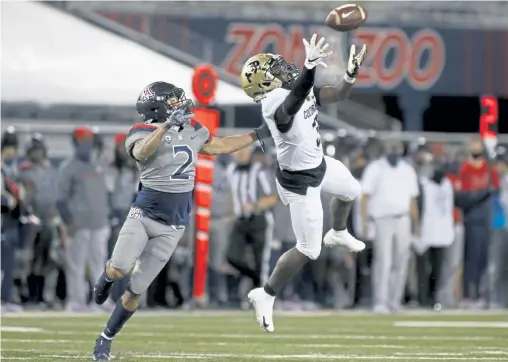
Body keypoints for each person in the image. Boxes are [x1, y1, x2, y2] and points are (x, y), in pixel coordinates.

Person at [91, 81, 271, 360]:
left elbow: (220, 146)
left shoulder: (193, 129)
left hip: (173, 225)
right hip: (144, 215)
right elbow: (141, 153)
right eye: (173, 101)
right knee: (118, 270)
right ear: (158, 107)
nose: (180, 104)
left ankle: (105, 338)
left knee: (136, 290)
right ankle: (105, 278)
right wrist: (165, 127)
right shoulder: (140, 131)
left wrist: (257, 134)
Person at [240, 34, 367, 332]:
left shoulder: (292, 87)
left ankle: (338, 232)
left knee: (351, 190)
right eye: (274, 70)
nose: (283, 69)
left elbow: (337, 95)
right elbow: (291, 107)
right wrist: (309, 70)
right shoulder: (273, 102)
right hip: (299, 182)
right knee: (309, 250)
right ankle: (266, 293)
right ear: (262, 84)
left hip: (319, 165)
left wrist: (350, 75)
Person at [361, 141, 420, 313]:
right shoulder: (375, 168)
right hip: (382, 220)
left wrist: (416, 222)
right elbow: (365, 196)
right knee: (383, 261)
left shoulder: (407, 170)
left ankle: (395, 300)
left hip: (403, 219)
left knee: (401, 261)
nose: (395, 151)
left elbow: (412, 198)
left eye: (398, 148)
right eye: (392, 148)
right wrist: (364, 222)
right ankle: (380, 301)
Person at [57, 127, 112, 312]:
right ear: (76, 144)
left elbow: (107, 194)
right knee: (76, 264)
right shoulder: (68, 168)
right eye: (83, 142)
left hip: (99, 223)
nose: (87, 146)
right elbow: (61, 198)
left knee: (100, 264)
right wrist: (68, 221)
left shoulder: (100, 167)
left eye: (90, 142)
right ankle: (76, 301)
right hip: (78, 224)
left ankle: (101, 301)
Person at [226, 146, 278, 295]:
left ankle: (264, 297)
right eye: (237, 150)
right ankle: (255, 279)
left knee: (261, 261)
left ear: (249, 153)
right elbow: (230, 195)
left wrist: (254, 205)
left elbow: (273, 197)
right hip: (240, 221)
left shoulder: (259, 171)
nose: (240, 153)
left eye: (243, 150)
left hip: (259, 220)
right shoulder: (230, 170)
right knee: (232, 256)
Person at [455, 137, 499, 308]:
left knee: (483, 258)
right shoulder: (464, 168)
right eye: (472, 146)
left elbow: (494, 188)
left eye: (477, 146)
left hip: (485, 218)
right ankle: (468, 295)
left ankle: (481, 295)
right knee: (469, 258)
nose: (475, 149)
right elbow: (461, 195)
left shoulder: (488, 169)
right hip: (470, 219)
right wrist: (479, 194)